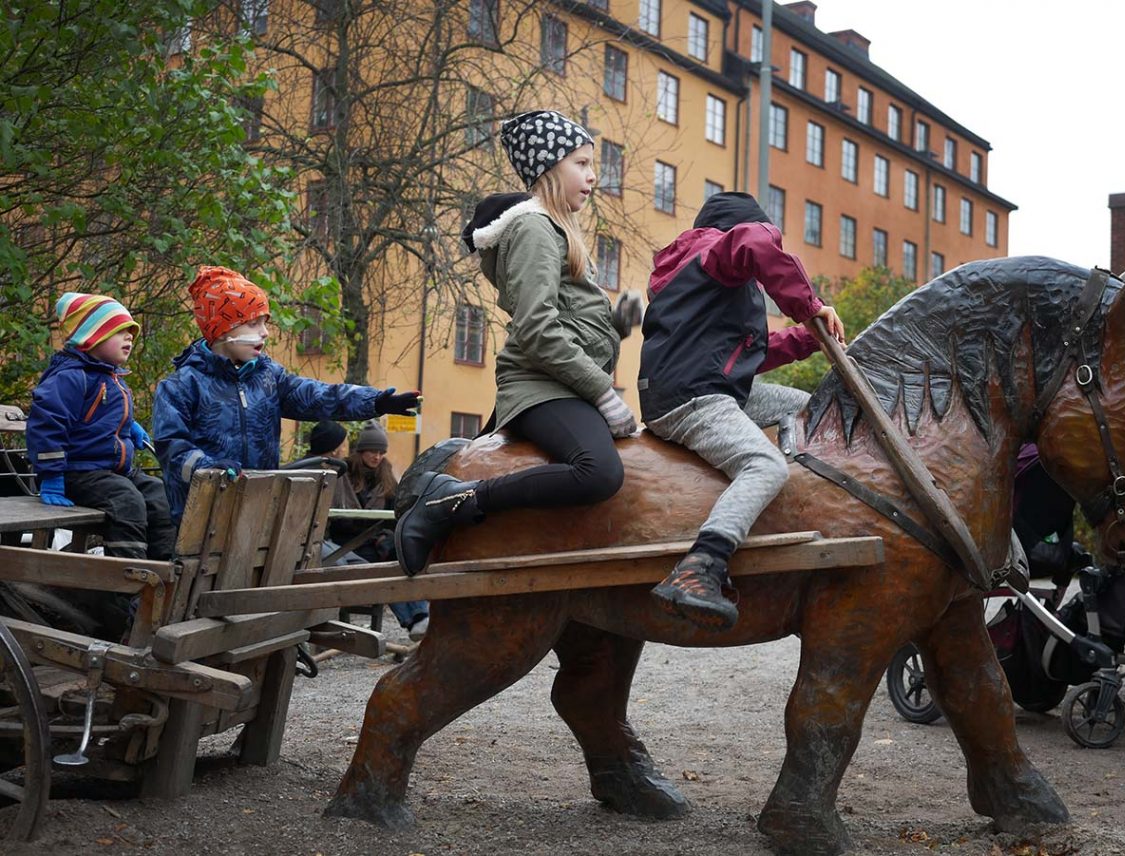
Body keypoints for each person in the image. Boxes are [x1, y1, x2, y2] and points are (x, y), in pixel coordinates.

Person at [395, 109, 637, 575]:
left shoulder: (556, 230)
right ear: (548, 168)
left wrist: (615, 325)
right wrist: (603, 393)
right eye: (581, 164)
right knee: (600, 473)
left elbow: (565, 318)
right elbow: (536, 329)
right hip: (541, 388)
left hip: (562, 385)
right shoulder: (534, 230)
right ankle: (450, 502)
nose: (592, 176)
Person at [637, 191, 845, 631]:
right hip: (692, 397)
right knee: (765, 466)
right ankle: (701, 566)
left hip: (714, 386)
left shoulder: (703, 280)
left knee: (812, 409)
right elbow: (755, 241)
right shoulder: (715, 254)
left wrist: (809, 337)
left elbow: (743, 353)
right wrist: (809, 307)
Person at [151, 265, 420, 526]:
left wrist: (375, 401)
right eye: (253, 323)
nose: (264, 332)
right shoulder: (181, 386)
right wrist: (210, 469)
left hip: (258, 513)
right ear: (222, 329)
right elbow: (172, 448)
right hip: (202, 519)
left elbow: (320, 396)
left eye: (264, 322)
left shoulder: (269, 378)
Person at [26, 293, 177, 636]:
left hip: (111, 470)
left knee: (160, 495)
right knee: (128, 501)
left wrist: (130, 428)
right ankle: (127, 592)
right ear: (91, 336)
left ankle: (165, 579)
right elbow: (46, 426)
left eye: (131, 332)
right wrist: (52, 476)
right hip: (77, 471)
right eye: (119, 331)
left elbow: (101, 419)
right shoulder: (69, 377)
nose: (129, 338)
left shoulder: (110, 377)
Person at [308, 419, 430, 641]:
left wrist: (388, 535)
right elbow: (336, 518)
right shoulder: (343, 473)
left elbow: (397, 512)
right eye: (373, 451)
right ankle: (414, 619)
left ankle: (420, 616)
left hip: (377, 543)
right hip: (348, 545)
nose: (377, 456)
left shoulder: (386, 475)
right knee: (384, 570)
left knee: (403, 556)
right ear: (361, 451)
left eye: (381, 452)